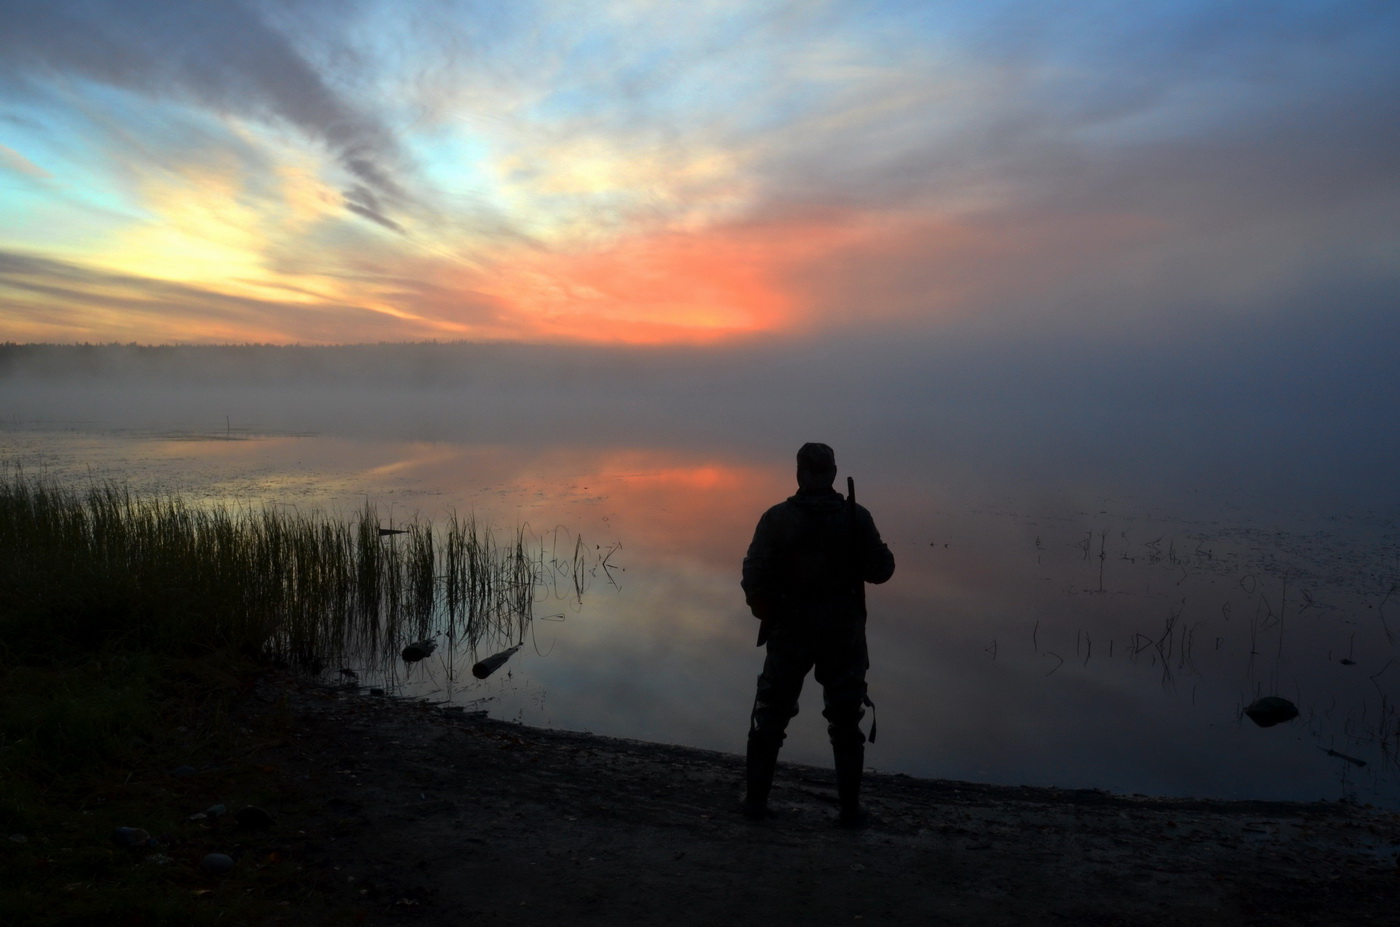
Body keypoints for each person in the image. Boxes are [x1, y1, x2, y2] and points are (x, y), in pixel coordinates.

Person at [739, 442, 895, 827]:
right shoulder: (856, 516)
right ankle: (850, 809)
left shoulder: (777, 518)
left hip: (792, 626)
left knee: (772, 714)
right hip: (842, 630)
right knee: (846, 718)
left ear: (799, 473)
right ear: (833, 473)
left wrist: (769, 611)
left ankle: (756, 802)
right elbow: (882, 570)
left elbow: (754, 575)